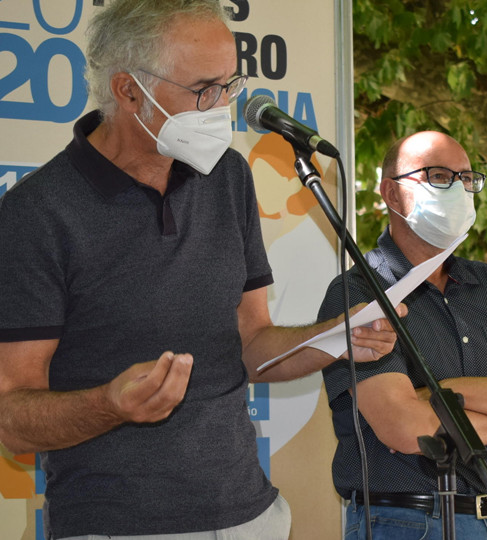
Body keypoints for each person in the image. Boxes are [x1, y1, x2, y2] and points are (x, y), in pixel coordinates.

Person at [0, 2, 401, 539]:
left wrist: (336, 338)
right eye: (203, 90)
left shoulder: (228, 176)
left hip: (250, 515)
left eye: (230, 84)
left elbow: (253, 345)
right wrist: (109, 405)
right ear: (128, 91)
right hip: (119, 525)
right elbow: (13, 420)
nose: (223, 107)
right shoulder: (38, 212)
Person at [317, 131, 487, 539]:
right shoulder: (358, 295)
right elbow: (406, 428)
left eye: (467, 178)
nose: (458, 189)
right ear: (391, 192)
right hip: (407, 522)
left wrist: (443, 392)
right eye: (439, 176)